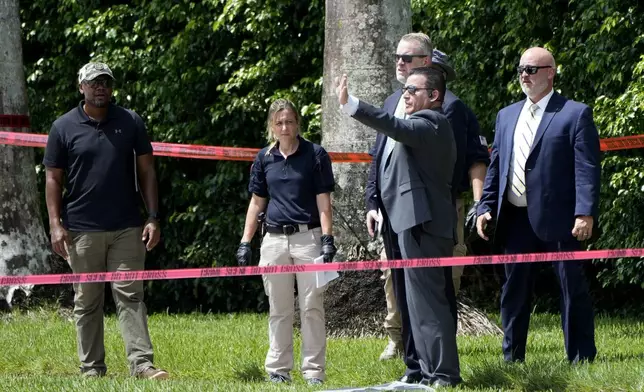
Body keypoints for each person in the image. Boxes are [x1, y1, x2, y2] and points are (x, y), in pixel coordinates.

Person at [43, 62, 168, 379]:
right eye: (94, 82)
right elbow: (53, 180)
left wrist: (153, 217)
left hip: (127, 228)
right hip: (81, 231)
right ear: (81, 86)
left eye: (106, 82)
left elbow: (147, 172)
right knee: (87, 301)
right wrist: (56, 224)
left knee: (131, 296)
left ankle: (141, 365)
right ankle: (92, 368)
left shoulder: (130, 122)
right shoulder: (62, 127)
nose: (100, 87)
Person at [337, 67, 461, 387]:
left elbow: (392, 125)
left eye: (412, 90)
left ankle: (443, 375)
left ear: (433, 96)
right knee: (416, 304)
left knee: (429, 304)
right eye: (403, 89)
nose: (404, 94)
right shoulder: (419, 123)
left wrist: (353, 104)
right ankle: (426, 372)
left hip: (425, 225)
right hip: (409, 223)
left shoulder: (432, 122)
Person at [476, 47, 600, 363]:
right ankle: (512, 360)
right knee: (513, 292)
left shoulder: (575, 113)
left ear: (550, 72)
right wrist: (484, 206)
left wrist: (584, 212)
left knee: (572, 290)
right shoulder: (506, 116)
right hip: (515, 218)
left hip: (561, 219)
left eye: (531, 69)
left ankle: (581, 358)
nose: (524, 75)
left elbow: (586, 167)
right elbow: (496, 166)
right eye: (521, 69)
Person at [236, 98, 336, 386]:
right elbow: (256, 203)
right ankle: (278, 370)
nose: (284, 127)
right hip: (274, 241)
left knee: (312, 308)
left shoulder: (315, 155)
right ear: (272, 126)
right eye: (279, 122)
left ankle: (314, 372)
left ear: (297, 124)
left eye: (289, 121)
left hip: (308, 238)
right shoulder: (264, 158)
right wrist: (246, 241)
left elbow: (324, 203)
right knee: (279, 309)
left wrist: (328, 239)